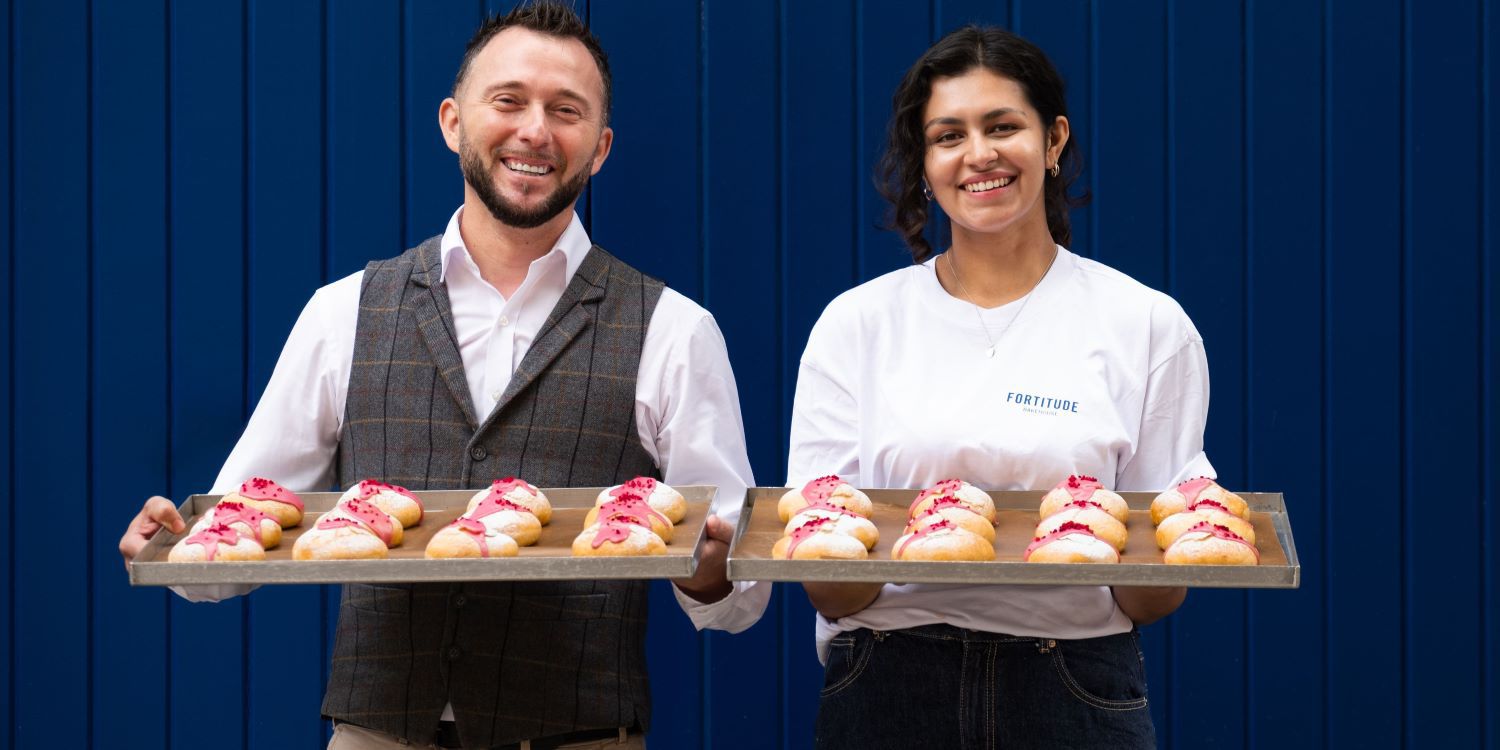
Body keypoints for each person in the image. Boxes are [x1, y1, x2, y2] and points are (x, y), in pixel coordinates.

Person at [118, 3, 770, 748]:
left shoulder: (675, 329)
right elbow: (242, 530)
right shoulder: (345, 312)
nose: (535, 130)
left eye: (566, 111)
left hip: (577, 734)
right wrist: (172, 552)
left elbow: (737, 593)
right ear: (453, 122)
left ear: (600, 148)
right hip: (376, 733)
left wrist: (713, 569)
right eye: (509, 100)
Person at [787, 25, 1211, 749]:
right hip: (888, 682)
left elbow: (1151, 589)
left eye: (1003, 126)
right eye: (948, 135)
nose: (978, 154)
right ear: (924, 165)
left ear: (1053, 143)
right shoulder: (858, 324)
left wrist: (1160, 552)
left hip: (1073, 687)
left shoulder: (1145, 324)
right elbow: (834, 580)